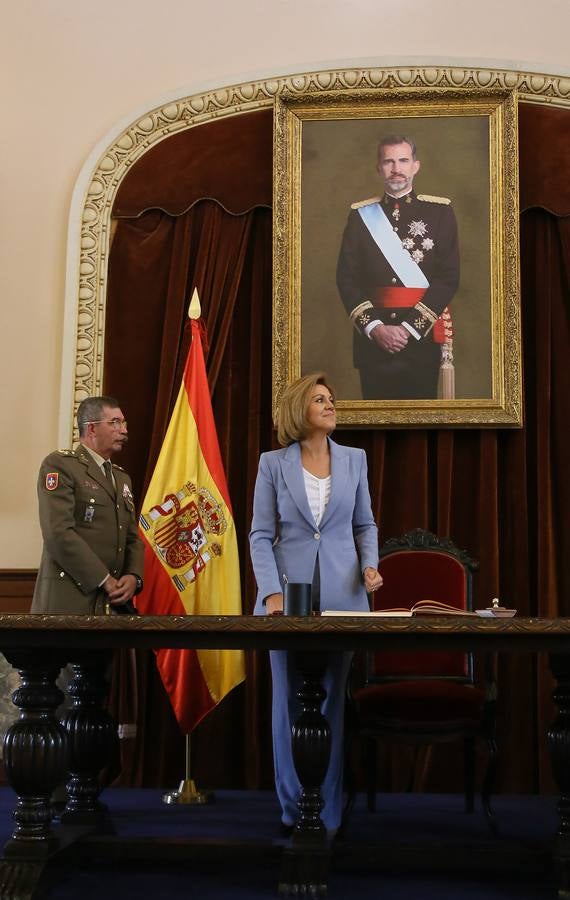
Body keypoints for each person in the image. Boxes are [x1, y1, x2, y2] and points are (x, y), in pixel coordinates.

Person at [249, 372, 382, 837]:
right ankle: (293, 809)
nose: (330, 405)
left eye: (331, 399)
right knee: (288, 703)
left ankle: (327, 812)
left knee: (331, 704)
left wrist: (370, 566)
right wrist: (271, 593)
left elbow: (365, 525)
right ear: (297, 410)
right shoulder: (272, 464)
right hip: (288, 600)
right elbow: (260, 535)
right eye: (319, 399)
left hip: (345, 595)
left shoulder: (354, 459)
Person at [336, 134, 460, 400]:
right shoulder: (360, 216)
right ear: (378, 168)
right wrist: (375, 327)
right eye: (388, 161)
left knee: (420, 420)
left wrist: (409, 328)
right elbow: (347, 279)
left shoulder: (440, 213)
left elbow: (448, 278)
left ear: (416, 166)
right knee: (376, 420)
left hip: (421, 340)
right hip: (373, 343)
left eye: (403, 160)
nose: (396, 168)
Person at [32, 395, 144, 614]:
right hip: (69, 603)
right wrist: (104, 579)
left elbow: (132, 537)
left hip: (112, 606)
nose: (124, 430)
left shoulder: (122, 478)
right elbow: (58, 533)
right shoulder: (61, 465)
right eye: (115, 423)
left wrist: (134, 576)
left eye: (124, 423)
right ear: (91, 429)